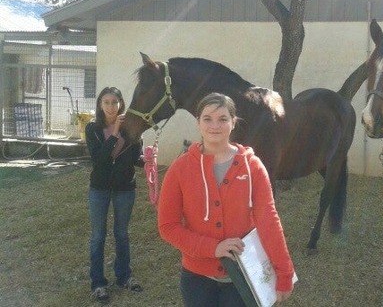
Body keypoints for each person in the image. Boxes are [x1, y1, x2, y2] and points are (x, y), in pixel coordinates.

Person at [158, 92, 295, 307]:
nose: (215, 126)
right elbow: (168, 226)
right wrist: (213, 248)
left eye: (222, 119)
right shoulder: (180, 169)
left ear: (233, 122)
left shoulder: (253, 166)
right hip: (197, 279)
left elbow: (269, 219)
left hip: (242, 277)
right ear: (198, 122)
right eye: (207, 119)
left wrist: (284, 272)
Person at [85, 86, 144, 304]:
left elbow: (135, 158)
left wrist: (146, 160)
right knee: (98, 237)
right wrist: (116, 131)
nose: (111, 106)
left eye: (115, 102)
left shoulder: (132, 128)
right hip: (99, 188)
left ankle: (124, 277)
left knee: (122, 234)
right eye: (106, 102)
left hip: (124, 188)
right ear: (100, 104)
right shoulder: (92, 128)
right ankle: (98, 283)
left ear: (121, 103)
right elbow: (99, 160)